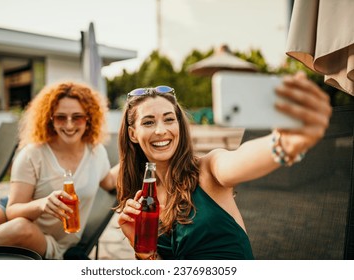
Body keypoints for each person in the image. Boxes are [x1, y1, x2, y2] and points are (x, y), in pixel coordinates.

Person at [116, 72, 332, 260]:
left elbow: (237, 161)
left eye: (169, 119)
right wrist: (142, 247)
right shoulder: (143, 197)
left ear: (179, 125)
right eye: (148, 122)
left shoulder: (208, 169)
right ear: (133, 134)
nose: (161, 130)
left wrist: (282, 144)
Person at [0, 81, 118, 259]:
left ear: (89, 118)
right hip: (17, 207)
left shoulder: (96, 153)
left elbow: (109, 181)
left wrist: (142, 153)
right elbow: (12, 209)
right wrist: (43, 204)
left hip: (51, 238)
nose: (69, 125)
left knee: (20, 228)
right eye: (61, 117)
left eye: (77, 117)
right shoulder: (33, 153)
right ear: (50, 119)